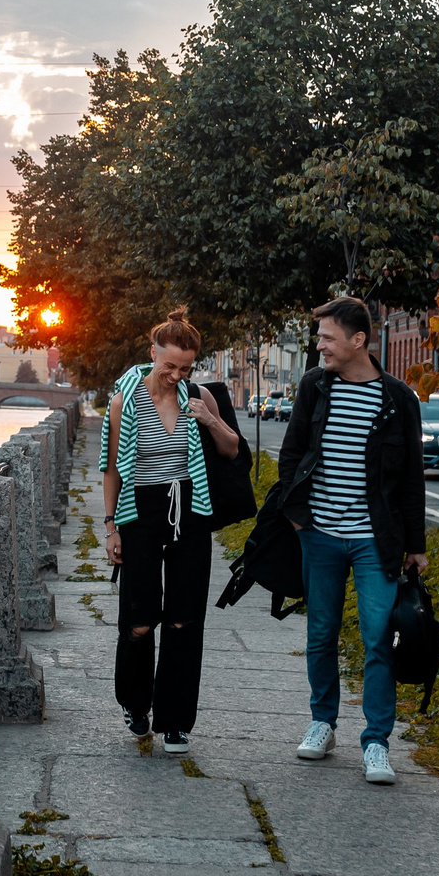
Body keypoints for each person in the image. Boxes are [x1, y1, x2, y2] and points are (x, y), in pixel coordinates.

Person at [263, 295, 426, 785]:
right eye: (320, 338)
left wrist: (416, 545)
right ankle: (323, 723)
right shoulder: (314, 387)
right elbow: (292, 454)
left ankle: (376, 743)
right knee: (321, 634)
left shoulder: (398, 399)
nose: (320, 346)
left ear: (358, 340)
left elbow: (412, 478)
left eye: (328, 338)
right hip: (320, 536)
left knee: (378, 638)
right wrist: (298, 518)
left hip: (376, 540)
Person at [101, 307, 243, 754]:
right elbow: (112, 469)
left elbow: (233, 449)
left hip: (190, 511)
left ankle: (176, 721)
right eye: (170, 366)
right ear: (152, 353)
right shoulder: (125, 401)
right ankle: (135, 704)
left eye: (185, 368)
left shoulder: (199, 395)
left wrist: (209, 419)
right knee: (140, 620)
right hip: (139, 513)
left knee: (184, 618)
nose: (177, 375)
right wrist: (111, 526)